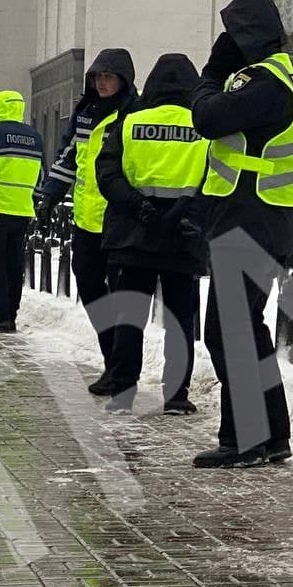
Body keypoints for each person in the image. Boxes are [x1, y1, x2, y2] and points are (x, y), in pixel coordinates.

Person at [191, 0, 293, 468]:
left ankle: (245, 439)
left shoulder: (265, 84)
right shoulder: (280, 80)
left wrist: (211, 74)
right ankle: (271, 435)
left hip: (251, 218)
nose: (228, 44)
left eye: (235, 35)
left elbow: (206, 118)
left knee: (227, 330)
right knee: (246, 329)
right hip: (265, 216)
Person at [95, 53, 208, 414]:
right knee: (180, 322)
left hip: (133, 236)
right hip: (184, 237)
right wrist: (185, 212)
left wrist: (137, 206)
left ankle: (123, 391)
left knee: (129, 318)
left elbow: (107, 174)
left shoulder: (129, 123)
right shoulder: (204, 126)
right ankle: (176, 396)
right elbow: (214, 179)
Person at [35, 49, 138, 381]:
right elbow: (68, 158)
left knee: (123, 299)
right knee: (91, 290)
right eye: (97, 77)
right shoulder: (85, 114)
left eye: (108, 76)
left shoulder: (133, 114)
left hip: (119, 219)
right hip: (85, 220)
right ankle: (112, 357)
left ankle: (120, 370)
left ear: (124, 79)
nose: (101, 82)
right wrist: (49, 196)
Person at [0, 90, 44, 333]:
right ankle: (12, 313)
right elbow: (41, 176)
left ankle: (1, 315)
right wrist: (30, 199)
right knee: (15, 263)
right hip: (22, 209)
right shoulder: (35, 136)